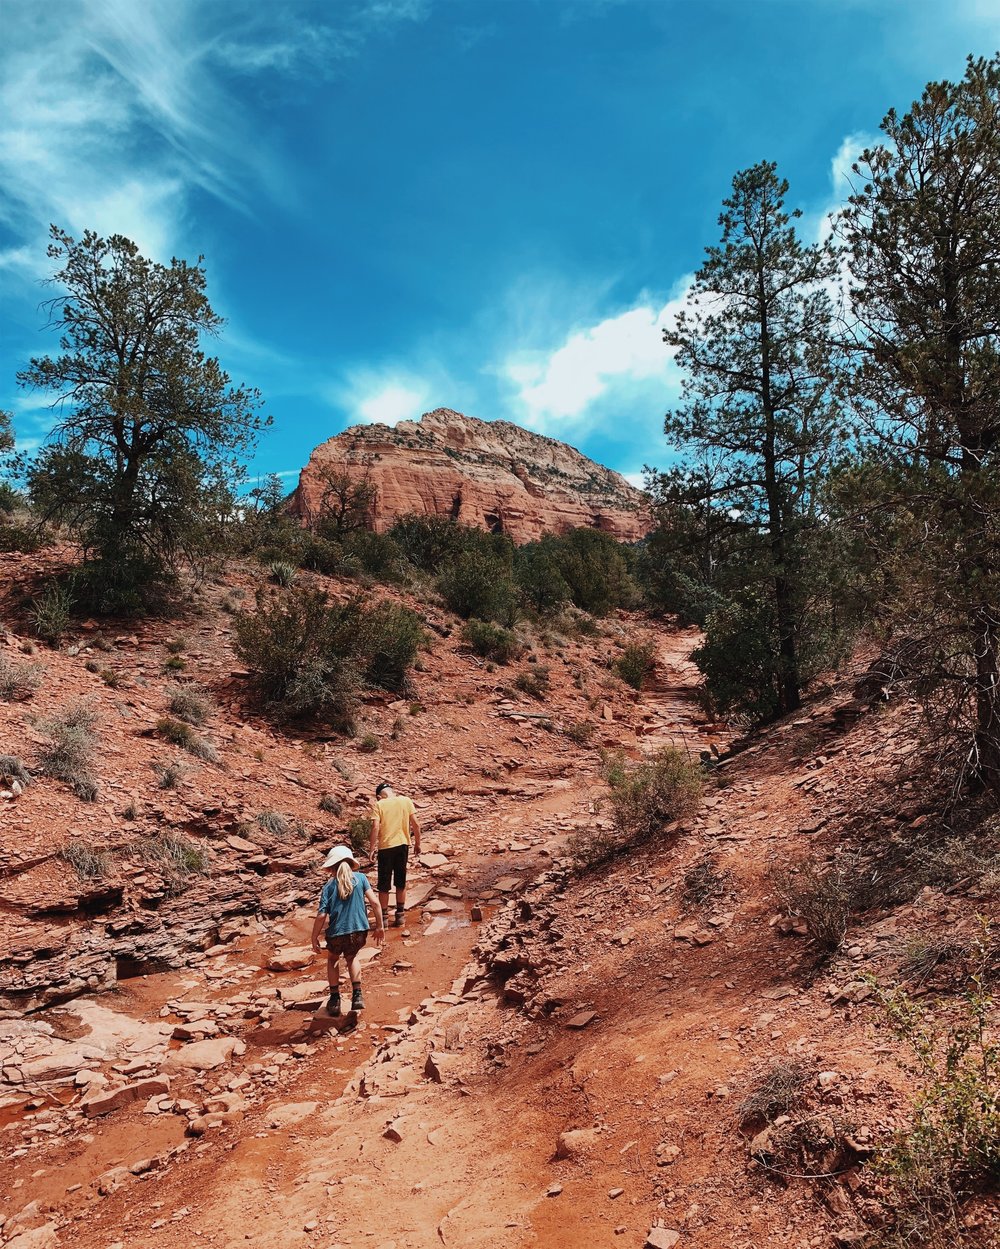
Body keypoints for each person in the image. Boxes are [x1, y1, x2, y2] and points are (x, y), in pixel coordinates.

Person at [311, 844, 383, 1016]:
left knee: (332, 960)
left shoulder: (328, 887)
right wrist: (380, 926)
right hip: (359, 931)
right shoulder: (361, 879)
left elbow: (321, 915)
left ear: (331, 867)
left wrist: (314, 937)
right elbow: (375, 903)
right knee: (352, 958)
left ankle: (335, 999)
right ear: (351, 863)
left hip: (337, 933)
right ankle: (357, 996)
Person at [369, 781, 420, 928]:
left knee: (384, 885)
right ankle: (400, 916)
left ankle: (384, 918)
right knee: (400, 881)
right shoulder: (406, 800)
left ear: (379, 796)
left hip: (386, 847)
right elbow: (416, 824)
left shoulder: (379, 805)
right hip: (403, 845)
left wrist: (372, 848)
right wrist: (418, 843)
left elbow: (375, 827)